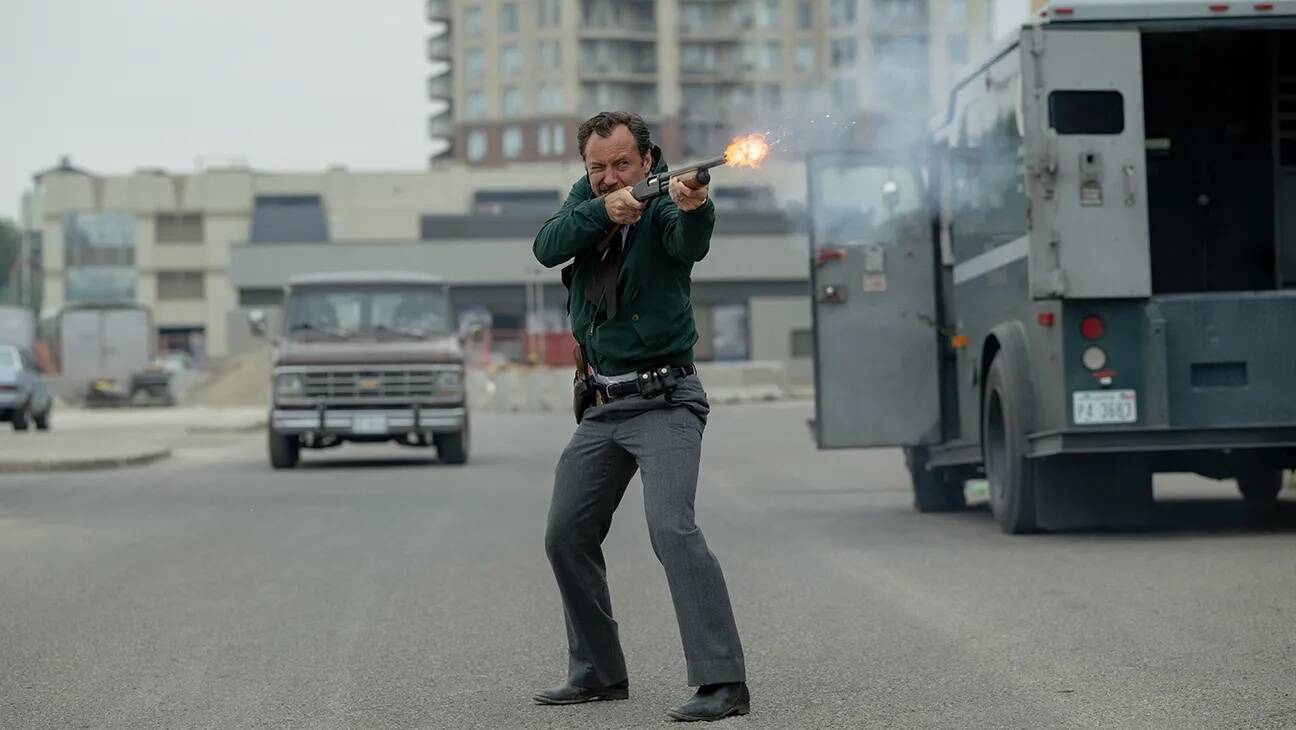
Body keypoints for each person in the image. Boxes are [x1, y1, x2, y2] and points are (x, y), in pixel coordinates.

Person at [529, 111, 749, 722]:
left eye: (621, 164)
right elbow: (547, 246)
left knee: (672, 530)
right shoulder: (589, 200)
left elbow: (690, 238)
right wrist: (604, 209)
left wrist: (694, 201)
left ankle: (723, 682)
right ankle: (598, 673)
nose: (608, 175)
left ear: (647, 160)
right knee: (565, 534)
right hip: (601, 406)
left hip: (665, 400)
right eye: (597, 166)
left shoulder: (667, 199)